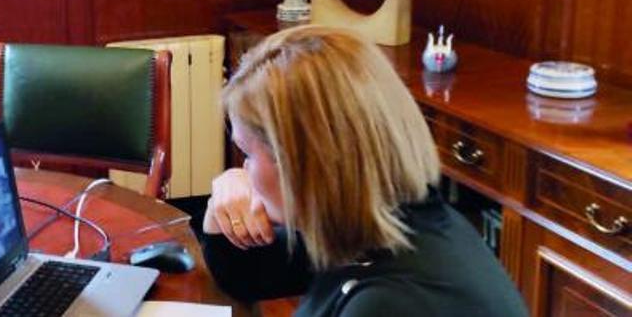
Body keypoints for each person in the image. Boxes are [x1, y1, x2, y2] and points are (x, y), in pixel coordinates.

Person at [201, 26, 526, 316]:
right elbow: (247, 276)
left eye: (247, 154)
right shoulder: (386, 222)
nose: (243, 168)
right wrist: (222, 201)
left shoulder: (390, 302)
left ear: (303, 163)